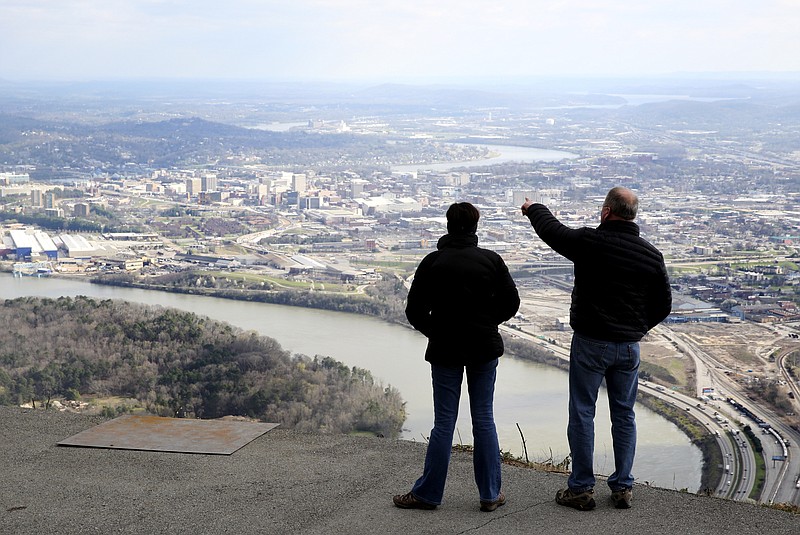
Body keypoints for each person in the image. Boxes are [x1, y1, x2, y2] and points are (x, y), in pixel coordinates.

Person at [520, 187, 671, 511]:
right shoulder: (650, 255)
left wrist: (533, 207)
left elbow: (552, 231)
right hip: (628, 348)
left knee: (582, 413)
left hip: (590, 343)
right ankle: (622, 488)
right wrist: (637, 329)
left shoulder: (591, 242)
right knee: (625, 415)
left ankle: (581, 488)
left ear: (606, 212)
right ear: (633, 215)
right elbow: (663, 305)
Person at [393, 202, 520, 512]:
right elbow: (511, 302)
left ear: (448, 225)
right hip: (484, 347)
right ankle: (490, 494)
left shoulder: (433, 262)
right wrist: (488, 323)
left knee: (444, 422)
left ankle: (428, 494)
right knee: (484, 419)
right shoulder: (491, 261)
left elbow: (414, 311)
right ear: (475, 227)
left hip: (446, 348)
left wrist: (436, 331)